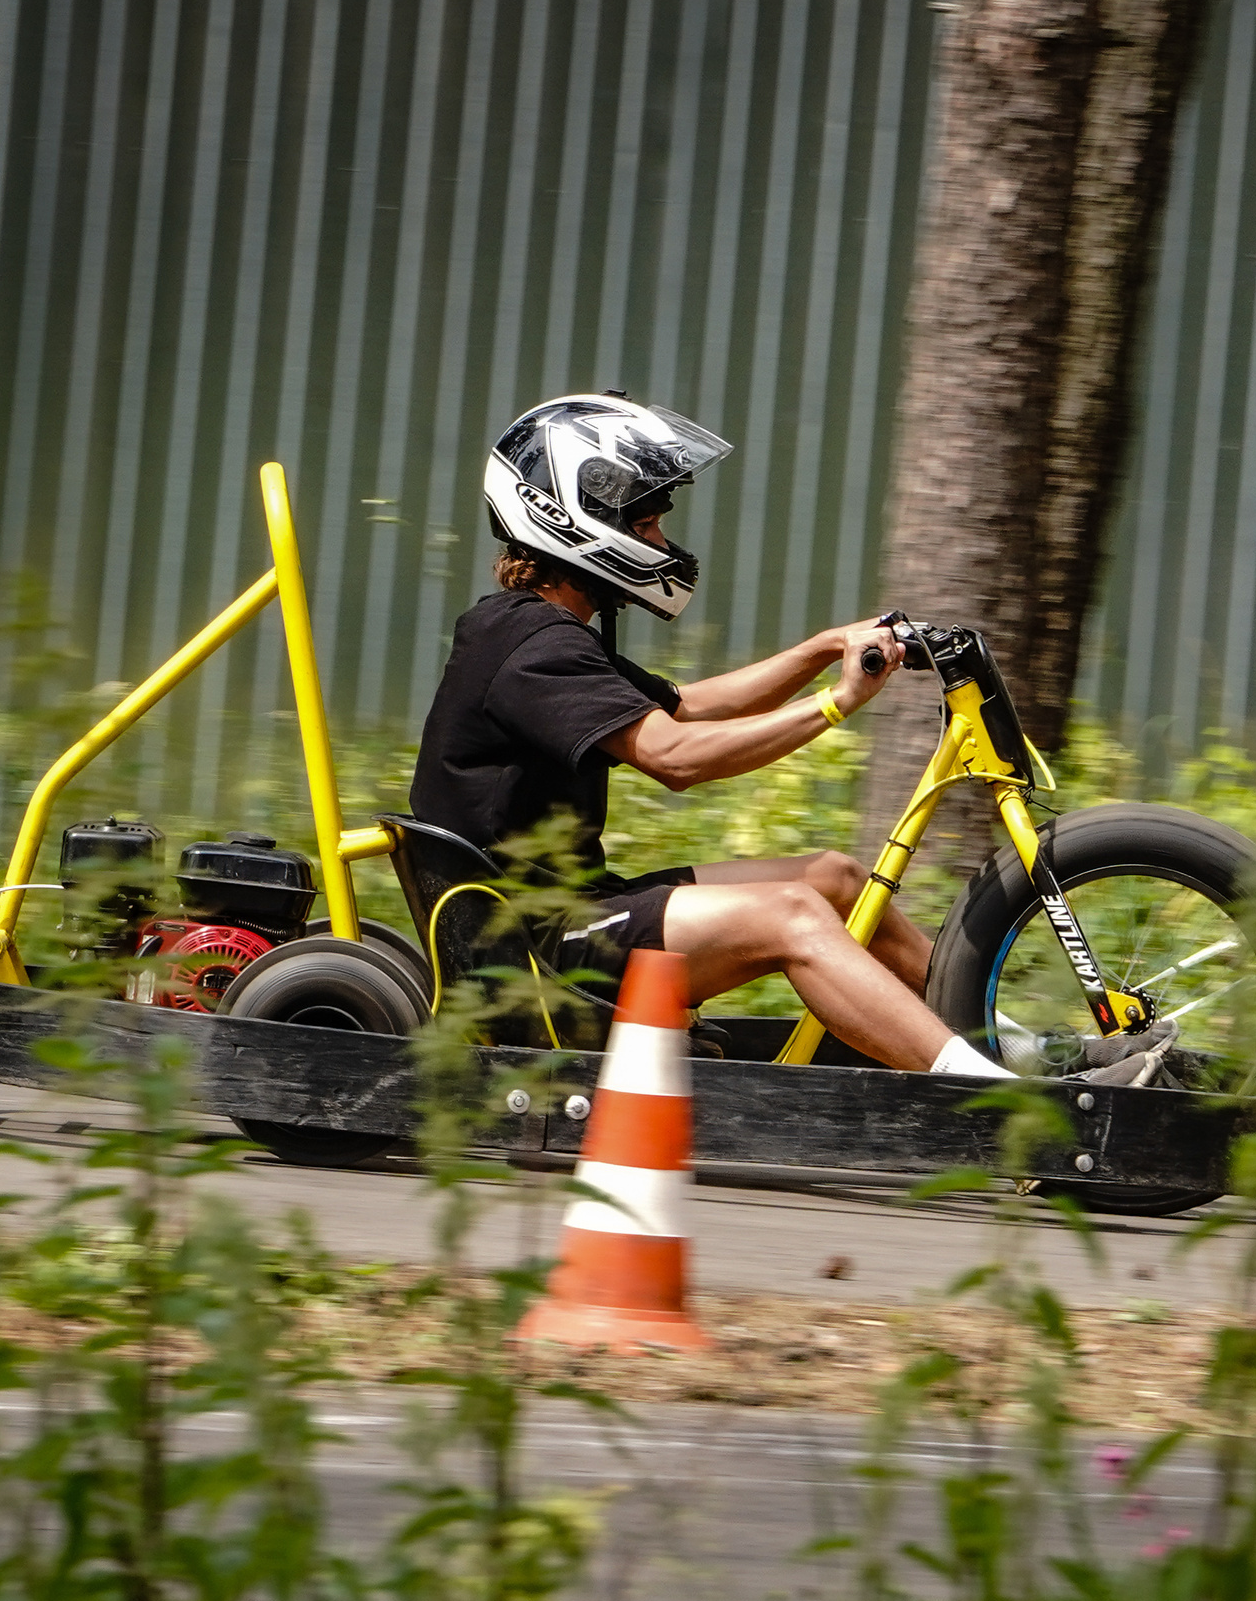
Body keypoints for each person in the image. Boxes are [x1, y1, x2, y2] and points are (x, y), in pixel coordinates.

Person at [411, 393, 1170, 1084]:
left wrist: (819, 649)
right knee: (792, 915)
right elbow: (674, 757)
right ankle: (995, 1100)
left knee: (833, 880)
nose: (661, 537)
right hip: (535, 947)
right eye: (646, 521)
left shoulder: (531, 631)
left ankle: (1029, 1053)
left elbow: (690, 706)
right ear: (575, 519)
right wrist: (835, 707)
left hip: (566, 913)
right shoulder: (534, 645)